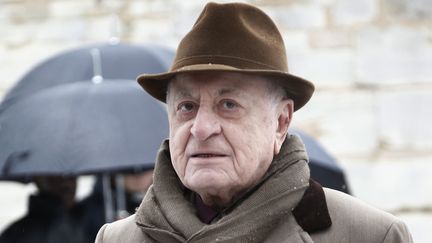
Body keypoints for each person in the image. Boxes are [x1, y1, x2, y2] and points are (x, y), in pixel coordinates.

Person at [95, 2, 413, 242]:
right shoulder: (118, 239)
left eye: (228, 105)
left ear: (281, 122)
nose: (201, 128)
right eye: (187, 107)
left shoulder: (368, 235)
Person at [0, 176, 92, 243]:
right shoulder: (17, 234)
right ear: (39, 179)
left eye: (71, 175)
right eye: (59, 176)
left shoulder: (87, 222)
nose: (68, 183)